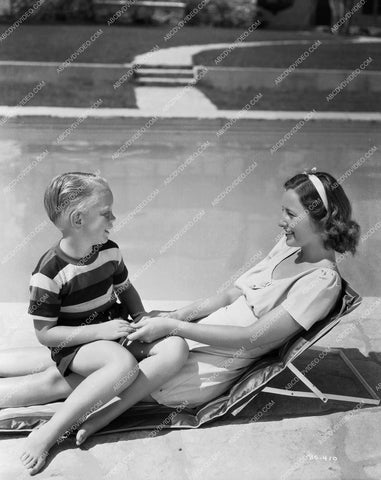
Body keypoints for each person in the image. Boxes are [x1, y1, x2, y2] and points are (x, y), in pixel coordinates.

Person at [0, 169, 359, 474]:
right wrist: (171, 317)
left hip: (201, 365)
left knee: (67, 377)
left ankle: (67, 423)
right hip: (189, 337)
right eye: (283, 210)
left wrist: (174, 328)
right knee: (89, 352)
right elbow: (227, 297)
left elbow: (253, 337)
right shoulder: (289, 246)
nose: (281, 221)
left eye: (291, 214)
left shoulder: (319, 283)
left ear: (321, 220)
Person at [17, 172, 190, 475]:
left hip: (116, 328)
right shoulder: (49, 272)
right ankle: (50, 431)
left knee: (176, 346)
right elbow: (46, 335)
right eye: (106, 212)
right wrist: (100, 331)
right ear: (78, 219)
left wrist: (140, 318)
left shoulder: (109, 250)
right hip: (76, 345)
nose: (114, 217)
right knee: (123, 366)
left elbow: (125, 288)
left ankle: (106, 414)